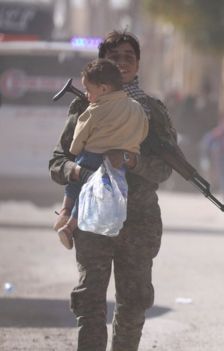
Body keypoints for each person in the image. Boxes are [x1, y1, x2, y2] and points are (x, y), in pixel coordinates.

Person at [49, 30, 177, 351]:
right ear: (102, 63)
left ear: (138, 65)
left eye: (128, 57)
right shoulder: (85, 105)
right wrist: (76, 170)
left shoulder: (152, 110)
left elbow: (165, 168)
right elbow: (58, 160)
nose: (122, 63)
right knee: (91, 305)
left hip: (138, 220)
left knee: (132, 306)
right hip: (93, 220)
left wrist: (133, 162)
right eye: (114, 57)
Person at [52, 58, 148, 249]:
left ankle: (67, 217)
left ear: (103, 89)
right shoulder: (137, 108)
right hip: (117, 164)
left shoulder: (95, 110)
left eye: (88, 90)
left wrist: (75, 150)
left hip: (91, 158)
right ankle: (70, 222)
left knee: (79, 187)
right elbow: (143, 130)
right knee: (96, 195)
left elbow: (80, 134)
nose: (86, 95)